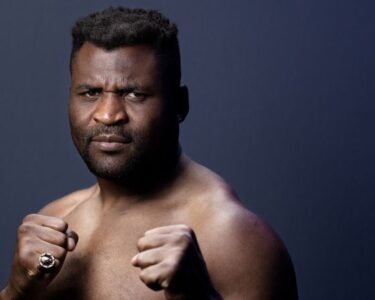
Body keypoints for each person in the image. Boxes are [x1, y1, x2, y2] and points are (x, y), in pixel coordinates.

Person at [0, 7, 298, 300]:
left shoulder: (233, 238)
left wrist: (197, 297)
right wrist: (16, 292)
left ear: (179, 105)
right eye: (90, 93)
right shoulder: (54, 219)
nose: (107, 114)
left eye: (134, 94)